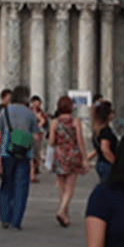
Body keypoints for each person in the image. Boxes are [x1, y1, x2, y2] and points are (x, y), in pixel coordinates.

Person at [0, 83, 40, 230]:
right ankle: (16, 220)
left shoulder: (5, 112)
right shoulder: (30, 114)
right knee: (21, 187)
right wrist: (36, 155)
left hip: (6, 152)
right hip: (24, 153)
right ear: (26, 97)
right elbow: (36, 137)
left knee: (6, 185)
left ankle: (4, 217)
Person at [50, 95, 89, 229]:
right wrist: (85, 158)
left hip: (59, 154)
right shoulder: (75, 121)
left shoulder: (54, 122)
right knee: (70, 187)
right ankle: (62, 211)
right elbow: (80, 140)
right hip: (73, 154)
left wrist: (59, 142)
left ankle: (65, 214)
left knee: (62, 187)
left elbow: (50, 141)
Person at [91, 101, 118, 184]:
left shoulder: (98, 130)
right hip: (107, 164)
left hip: (101, 163)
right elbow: (105, 150)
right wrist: (116, 163)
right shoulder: (105, 131)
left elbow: (97, 149)